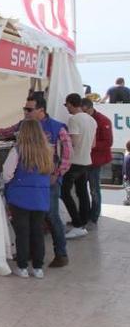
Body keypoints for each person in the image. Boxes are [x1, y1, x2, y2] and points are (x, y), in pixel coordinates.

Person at [0, 95, 72, 268]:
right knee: (28, 223)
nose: (25, 112)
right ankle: (29, 255)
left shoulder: (57, 128)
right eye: (25, 108)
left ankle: (61, 253)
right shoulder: (22, 125)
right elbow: (5, 132)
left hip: (48, 182)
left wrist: (56, 174)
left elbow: (67, 154)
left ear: (41, 110)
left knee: (51, 216)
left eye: (29, 109)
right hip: (28, 184)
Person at [2, 120, 54, 279]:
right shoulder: (47, 151)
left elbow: (7, 174)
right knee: (37, 232)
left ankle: (22, 266)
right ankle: (38, 267)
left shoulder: (17, 151)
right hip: (41, 196)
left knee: (22, 233)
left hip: (20, 196)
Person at [61, 93, 97, 238]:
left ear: (70, 103)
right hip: (86, 161)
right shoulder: (92, 120)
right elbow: (93, 144)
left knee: (64, 192)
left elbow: (73, 143)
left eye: (66, 105)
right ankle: (82, 222)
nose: (66, 108)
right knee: (82, 193)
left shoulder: (74, 119)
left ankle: (76, 223)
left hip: (75, 162)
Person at [81, 98, 113, 227]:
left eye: (84, 112)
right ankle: (85, 216)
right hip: (84, 160)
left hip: (95, 161)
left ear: (89, 108)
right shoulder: (84, 119)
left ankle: (94, 218)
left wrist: (90, 144)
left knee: (94, 190)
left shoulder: (103, 120)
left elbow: (108, 142)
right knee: (82, 190)